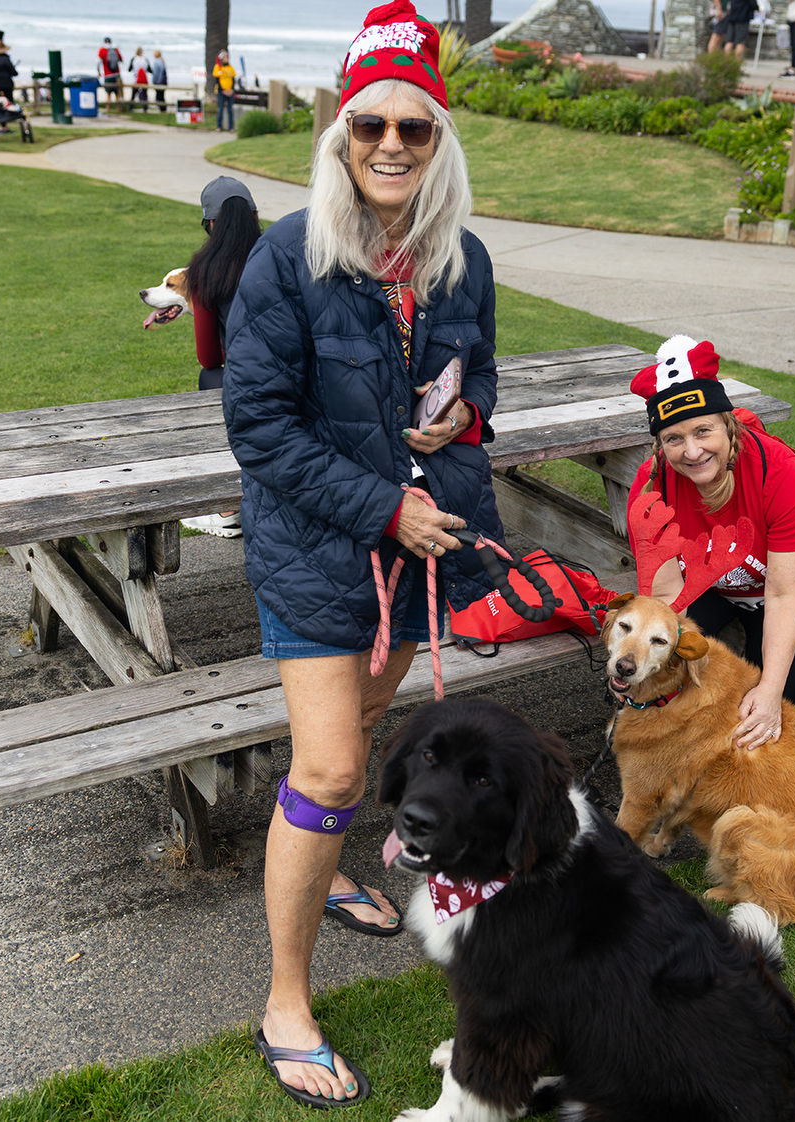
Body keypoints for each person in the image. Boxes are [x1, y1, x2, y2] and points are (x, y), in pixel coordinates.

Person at [221, 1, 500, 1107]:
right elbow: (260, 429)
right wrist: (386, 507)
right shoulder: (287, 258)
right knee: (333, 765)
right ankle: (284, 1001)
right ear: (340, 136)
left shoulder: (459, 258)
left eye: (413, 127)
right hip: (318, 546)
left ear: (438, 140)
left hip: (413, 549)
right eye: (369, 124)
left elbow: (481, 383)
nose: (390, 143)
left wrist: (458, 418)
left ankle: (327, 861)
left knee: (363, 731)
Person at [625, 334, 795, 747]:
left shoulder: (779, 471)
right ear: (659, 443)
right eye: (673, 438)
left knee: (781, 700)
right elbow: (668, 598)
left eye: (703, 431)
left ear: (728, 425)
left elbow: (783, 593)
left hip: (788, 584)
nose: (691, 451)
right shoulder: (650, 488)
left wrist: (771, 691)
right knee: (669, 676)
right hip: (711, 584)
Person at [181, 176, 260, 537]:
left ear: (211, 224)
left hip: (250, 381)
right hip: (305, 371)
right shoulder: (282, 252)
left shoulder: (204, 270)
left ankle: (228, 506)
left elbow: (208, 355)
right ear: (254, 214)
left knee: (210, 379)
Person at [211, 49, 235, 131]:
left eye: (227, 57)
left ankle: (231, 127)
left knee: (230, 109)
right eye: (224, 57)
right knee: (220, 109)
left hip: (230, 91)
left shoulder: (231, 68)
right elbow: (217, 80)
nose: (226, 59)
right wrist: (223, 91)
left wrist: (231, 90)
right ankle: (219, 126)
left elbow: (233, 80)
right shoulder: (218, 67)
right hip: (221, 92)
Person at [0, 35, 17, 105]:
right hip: (7, 83)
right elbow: (13, 71)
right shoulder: (5, 59)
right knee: (9, 101)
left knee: (1, 101)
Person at [97, 37, 121, 105]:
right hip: (116, 74)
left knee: (108, 93)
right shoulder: (115, 49)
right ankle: (118, 107)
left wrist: (98, 71)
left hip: (107, 74)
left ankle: (108, 107)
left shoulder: (102, 50)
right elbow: (120, 59)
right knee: (117, 93)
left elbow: (98, 62)